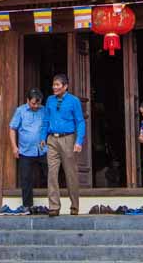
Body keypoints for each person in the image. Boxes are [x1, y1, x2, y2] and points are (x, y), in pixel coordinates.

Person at [43, 74, 86, 216]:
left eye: (57, 85)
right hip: (52, 139)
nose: (54, 87)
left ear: (65, 86)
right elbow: (46, 120)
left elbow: (80, 122)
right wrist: (43, 137)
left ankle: (74, 206)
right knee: (52, 173)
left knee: (70, 174)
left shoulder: (74, 101)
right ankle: (54, 206)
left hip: (68, 139)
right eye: (53, 85)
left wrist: (79, 141)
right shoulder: (50, 100)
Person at [7, 88, 46, 212]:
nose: (36, 106)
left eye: (38, 103)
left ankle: (53, 205)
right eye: (33, 103)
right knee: (26, 179)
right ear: (27, 100)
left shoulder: (44, 110)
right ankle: (28, 207)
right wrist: (14, 147)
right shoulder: (20, 111)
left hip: (43, 150)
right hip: (25, 151)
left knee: (50, 176)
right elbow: (12, 128)